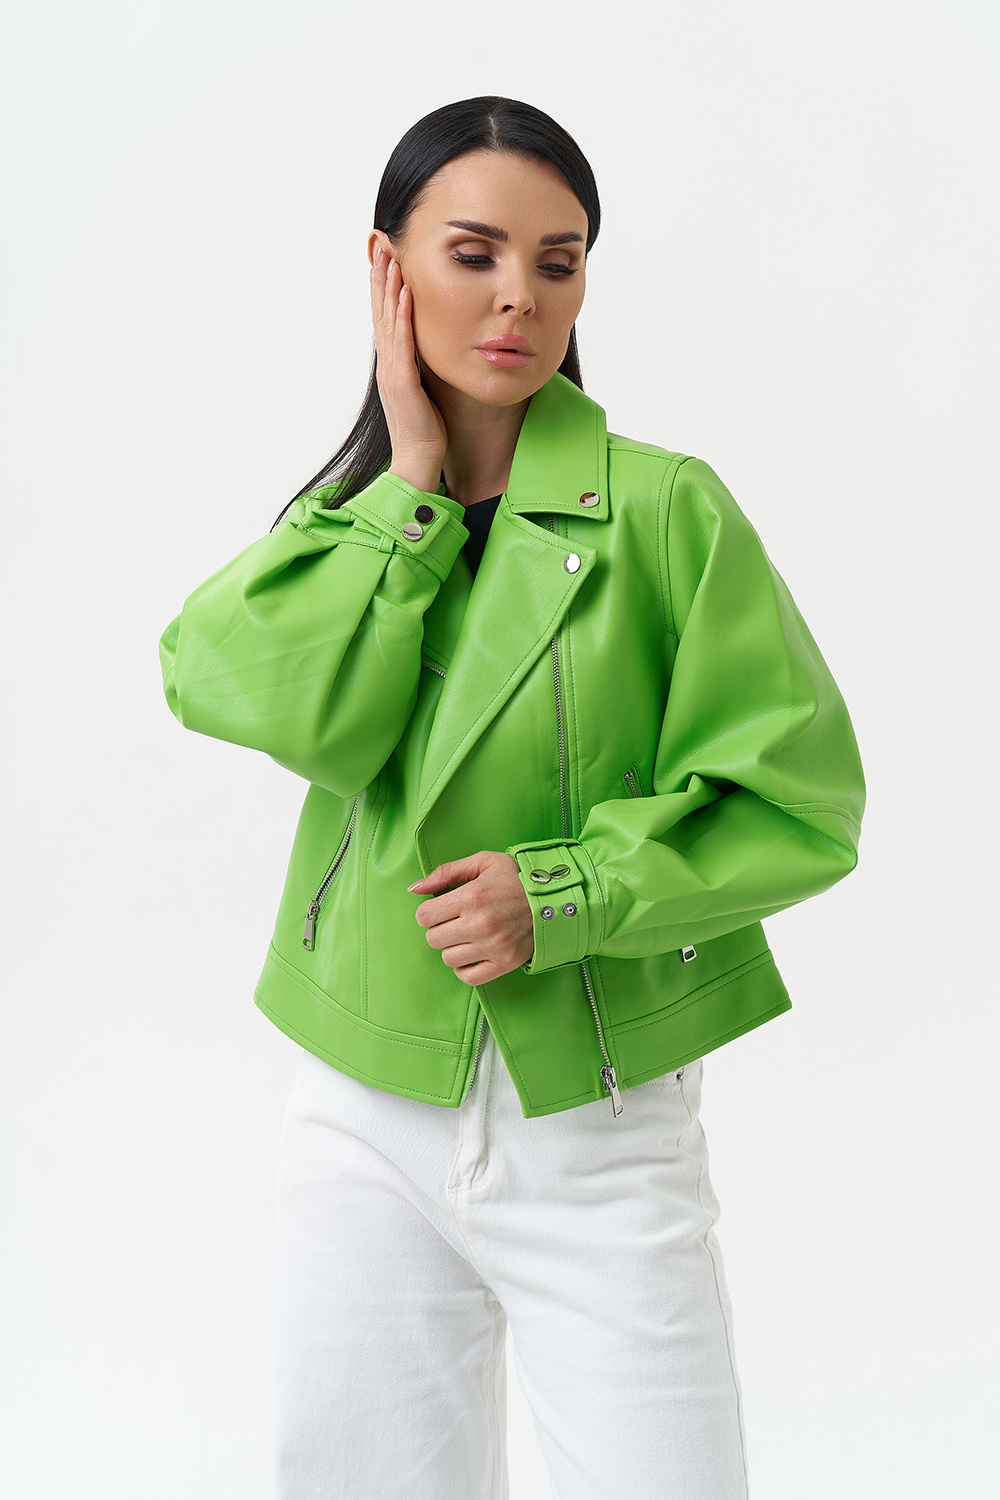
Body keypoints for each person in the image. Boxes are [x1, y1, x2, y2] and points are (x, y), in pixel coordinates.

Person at [158, 95, 865, 1500]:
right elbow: (225, 684)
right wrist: (411, 490)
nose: (519, 298)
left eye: (559, 260)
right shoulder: (352, 527)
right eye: (474, 252)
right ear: (389, 268)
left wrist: (567, 893)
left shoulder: (665, 511)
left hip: (596, 1120)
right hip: (359, 1110)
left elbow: (799, 798)